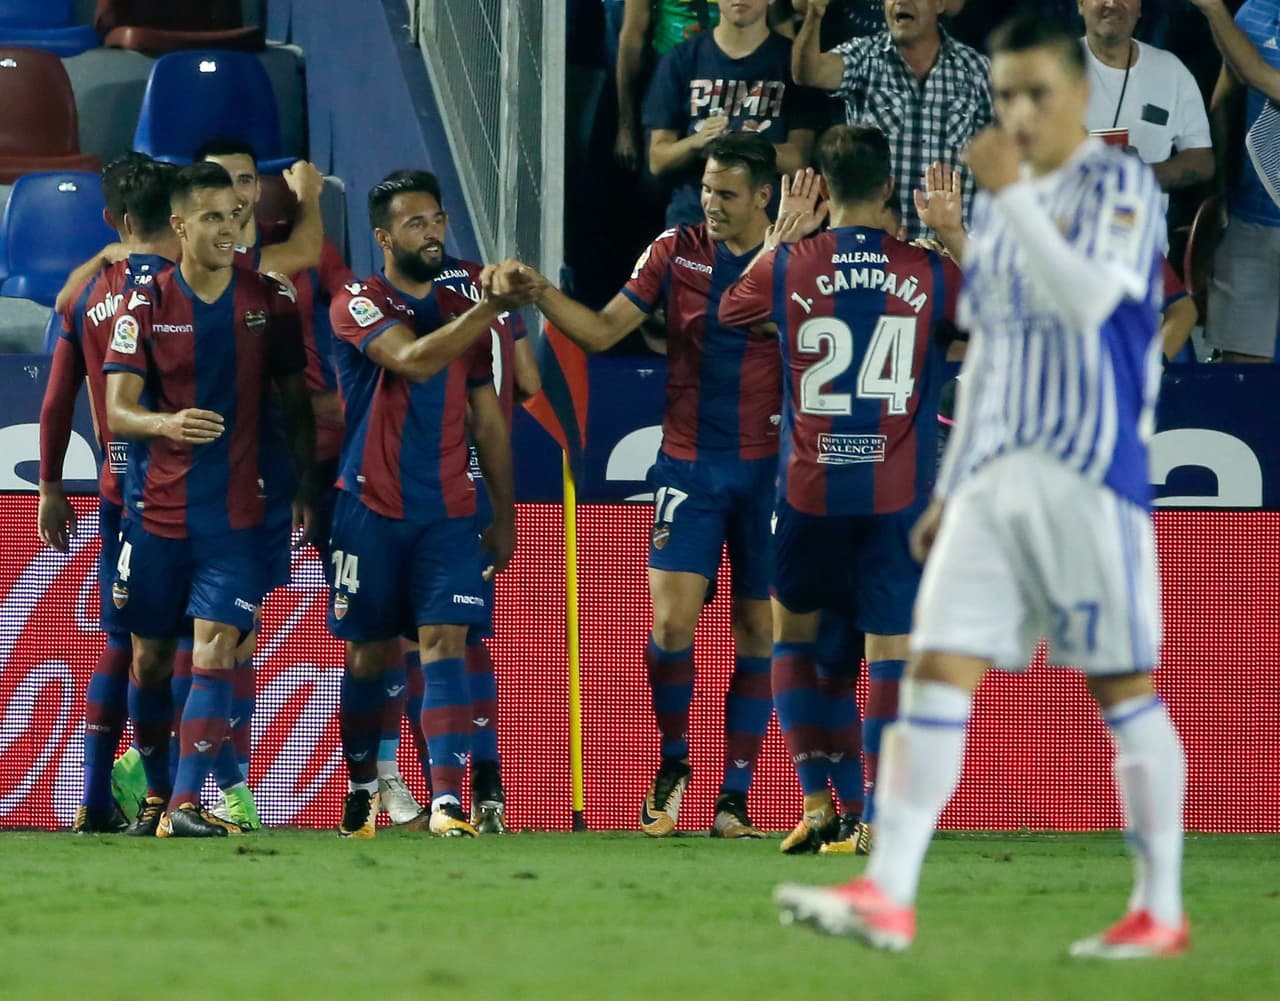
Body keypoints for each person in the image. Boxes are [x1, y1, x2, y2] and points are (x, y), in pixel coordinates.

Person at [774, 15, 1188, 959]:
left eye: (1038, 93)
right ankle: (888, 890)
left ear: (1080, 94)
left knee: (1123, 691)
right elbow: (993, 351)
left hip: (1090, 477)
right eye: (1006, 97)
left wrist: (1009, 204)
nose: (1021, 113)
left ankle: (1158, 903)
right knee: (932, 672)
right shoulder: (1007, 205)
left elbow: (1089, 303)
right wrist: (952, 486)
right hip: (994, 477)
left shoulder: (1119, 185)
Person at [497, 131, 781, 839]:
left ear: (764, 198)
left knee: (758, 632)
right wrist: (540, 293)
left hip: (774, 470)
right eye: (708, 189)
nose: (712, 204)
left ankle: (735, 796)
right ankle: (674, 761)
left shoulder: (794, 263)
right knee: (668, 624)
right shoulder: (673, 250)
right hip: (687, 464)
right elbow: (599, 331)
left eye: (728, 194)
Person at [719, 127, 958, 855]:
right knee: (892, 648)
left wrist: (779, 237)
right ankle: (881, 815)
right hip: (895, 492)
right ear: (890, 186)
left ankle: (818, 798)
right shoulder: (929, 269)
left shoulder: (791, 262)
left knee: (793, 638)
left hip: (808, 491)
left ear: (820, 182)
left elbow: (729, 309)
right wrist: (954, 232)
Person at [102, 162, 316, 838]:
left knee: (218, 644)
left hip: (239, 515)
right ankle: (161, 797)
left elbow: (295, 404)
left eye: (236, 215)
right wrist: (165, 423)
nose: (229, 228)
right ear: (180, 224)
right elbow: (117, 409)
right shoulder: (145, 304)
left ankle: (190, 803)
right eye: (214, 217)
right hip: (158, 513)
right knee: (152, 660)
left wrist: (304, 486)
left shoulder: (271, 299)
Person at [326, 170, 533, 839]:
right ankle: (362, 783)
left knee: (446, 640)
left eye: (438, 219)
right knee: (369, 656)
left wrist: (504, 512)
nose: (433, 232)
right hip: (369, 505)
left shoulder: (460, 303)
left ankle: (448, 799)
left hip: (448, 507)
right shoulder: (357, 301)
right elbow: (411, 359)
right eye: (416, 223)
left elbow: (489, 418)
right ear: (384, 236)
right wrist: (483, 311)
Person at [192, 139, 360, 829]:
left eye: (244, 180)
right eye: (222, 184)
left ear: (258, 192)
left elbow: (342, 289)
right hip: (242, 465)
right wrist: (312, 194)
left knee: (330, 621)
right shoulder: (231, 264)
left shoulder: (298, 264)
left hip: (315, 461)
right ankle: (209, 781)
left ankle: (368, 782)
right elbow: (303, 248)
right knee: (225, 630)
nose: (236, 194)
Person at [38, 155, 179, 833]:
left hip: (122, 493)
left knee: (124, 646)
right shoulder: (198, 284)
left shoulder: (87, 294)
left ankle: (96, 799)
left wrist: (49, 486)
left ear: (116, 220)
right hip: (197, 496)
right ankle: (176, 799)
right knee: (211, 649)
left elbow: (56, 399)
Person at [792, 0, 993, 240]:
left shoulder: (976, 70)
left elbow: (994, 163)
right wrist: (814, 15)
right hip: (877, 253)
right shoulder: (865, 57)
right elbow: (808, 72)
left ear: (939, 5)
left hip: (948, 252)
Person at [644, 0, 824, 227]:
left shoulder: (793, 63)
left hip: (769, 221)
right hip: (695, 218)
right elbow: (658, 160)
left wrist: (747, 145)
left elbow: (799, 161)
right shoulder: (682, 58)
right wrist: (696, 142)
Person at [1189, 0, 1280, 362]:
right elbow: (1225, 96)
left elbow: (1260, 76)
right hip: (1250, 222)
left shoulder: (1230, 15)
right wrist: (1221, 192)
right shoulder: (1254, 12)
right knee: (1240, 375)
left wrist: (1213, 9)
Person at [1079, 0, 1213, 195]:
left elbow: (1202, 160)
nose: (1111, 3)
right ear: (1080, 4)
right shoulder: (1050, 69)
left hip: (1143, 222)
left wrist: (1142, 177)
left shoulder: (1171, 70)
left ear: (1140, 7)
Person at [615, 0, 720, 171]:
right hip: (667, 76)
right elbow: (632, 37)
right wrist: (626, 125)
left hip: (726, 72)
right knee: (655, 173)